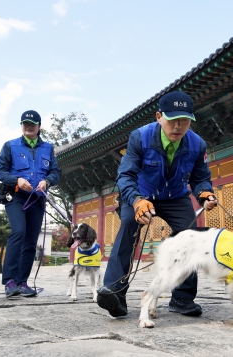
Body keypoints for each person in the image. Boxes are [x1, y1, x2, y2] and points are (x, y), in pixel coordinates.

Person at [97, 91, 217, 317]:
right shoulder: (140, 137)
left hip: (176, 196)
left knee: (190, 236)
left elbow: (200, 178)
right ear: (158, 117)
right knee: (127, 227)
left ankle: (182, 298)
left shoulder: (197, 144)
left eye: (185, 120)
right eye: (172, 120)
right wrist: (135, 200)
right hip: (141, 194)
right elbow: (125, 175)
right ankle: (114, 292)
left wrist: (204, 194)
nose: (179, 126)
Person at [0, 110, 60, 298]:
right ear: (21, 125)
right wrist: (16, 180)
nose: (28, 126)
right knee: (18, 232)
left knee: (31, 240)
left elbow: (55, 172)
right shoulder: (10, 146)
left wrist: (47, 182)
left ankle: (22, 282)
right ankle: (9, 281)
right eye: (25, 123)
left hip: (38, 198)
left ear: (39, 127)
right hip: (16, 196)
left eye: (32, 123)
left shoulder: (48, 148)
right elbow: (0, 170)